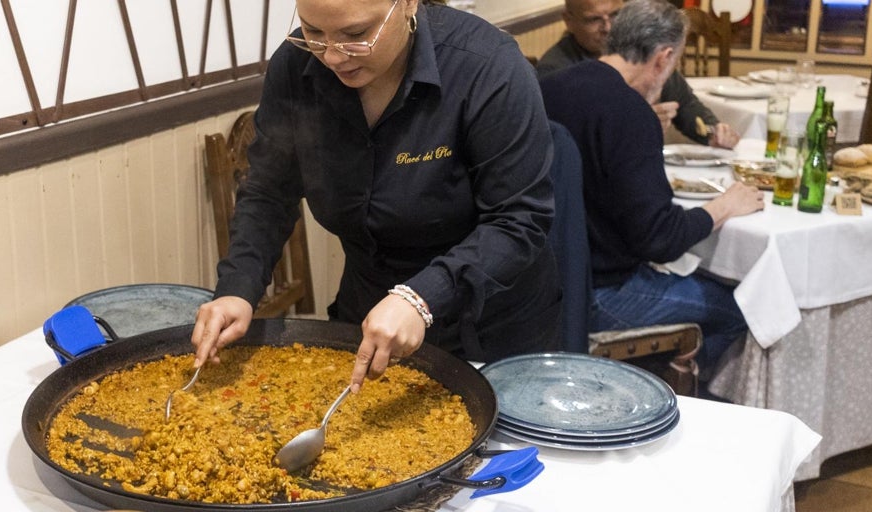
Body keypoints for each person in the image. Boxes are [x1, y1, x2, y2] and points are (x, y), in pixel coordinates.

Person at [191, 0, 561, 394]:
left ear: (406, 5)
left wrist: (422, 298)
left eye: (355, 35)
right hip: (366, 311)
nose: (332, 55)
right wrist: (238, 287)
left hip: (490, 327)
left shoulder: (487, 67)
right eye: (313, 31)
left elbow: (519, 219)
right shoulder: (296, 67)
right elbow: (268, 192)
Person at [539, 0, 763, 375]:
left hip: (546, 286)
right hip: (600, 294)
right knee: (747, 309)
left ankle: (669, 371)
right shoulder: (630, 112)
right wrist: (724, 206)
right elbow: (657, 238)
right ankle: (686, 399)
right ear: (663, 57)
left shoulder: (550, 86)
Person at [536, 0, 740, 149]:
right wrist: (639, 124)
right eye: (594, 20)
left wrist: (714, 132)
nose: (607, 27)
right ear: (568, 21)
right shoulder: (555, 72)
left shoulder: (642, 53)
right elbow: (565, 144)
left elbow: (685, 103)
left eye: (615, 15)